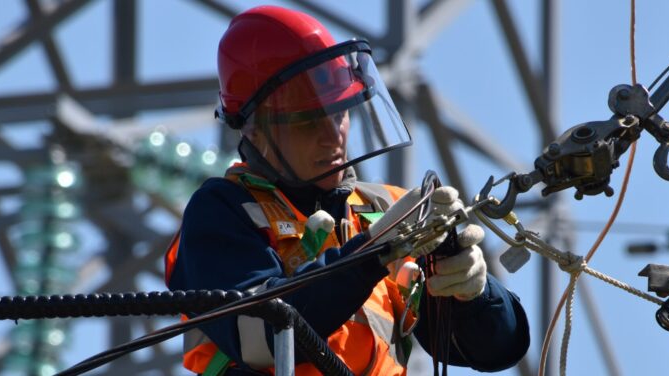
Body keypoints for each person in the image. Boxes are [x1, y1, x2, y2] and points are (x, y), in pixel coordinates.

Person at [165, 5, 529, 375]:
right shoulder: (223, 211)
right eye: (308, 121)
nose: (332, 137)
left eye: (339, 113)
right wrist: (372, 252)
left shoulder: (383, 207)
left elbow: (491, 351)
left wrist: (476, 295)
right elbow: (260, 336)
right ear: (254, 130)